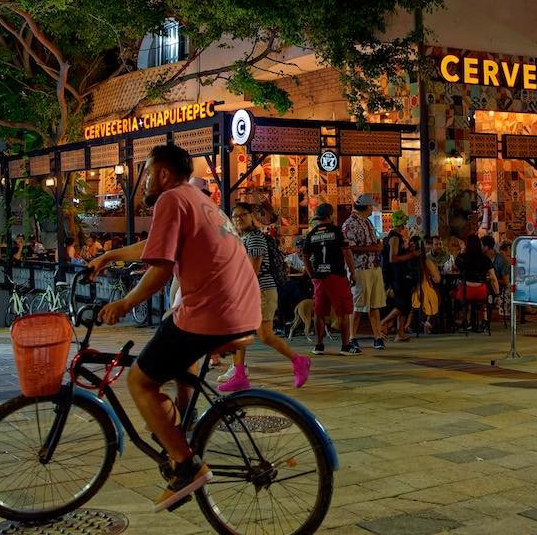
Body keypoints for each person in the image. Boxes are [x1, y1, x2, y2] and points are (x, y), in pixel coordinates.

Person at [93, 144, 263, 510]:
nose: (144, 183)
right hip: (239, 309)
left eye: (148, 173)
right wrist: (111, 254)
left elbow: (162, 268)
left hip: (211, 312)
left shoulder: (170, 200)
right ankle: (178, 430)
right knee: (169, 352)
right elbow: (154, 245)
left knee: (139, 380)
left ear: (164, 174)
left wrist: (125, 303)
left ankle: (186, 466)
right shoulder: (197, 199)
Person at [217, 202, 311, 393]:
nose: (238, 219)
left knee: (264, 335)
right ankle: (240, 375)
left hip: (260, 291)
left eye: (242, 215)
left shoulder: (255, 239)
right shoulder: (241, 238)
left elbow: (253, 271)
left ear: (252, 215)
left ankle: (299, 361)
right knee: (241, 334)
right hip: (249, 291)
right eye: (235, 216)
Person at [302, 203, 358, 355]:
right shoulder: (337, 231)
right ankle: (345, 346)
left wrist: (311, 273)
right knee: (343, 311)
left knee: (319, 312)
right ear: (330, 216)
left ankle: (318, 345)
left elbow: (305, 255)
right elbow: (347, 253)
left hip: (319, 277)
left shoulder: (312, 234)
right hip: (336, 275)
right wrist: (352, 272)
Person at [342, 193, 386, 350]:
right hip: (360, 268)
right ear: (367, 207)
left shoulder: (366, 222)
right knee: (358, 304)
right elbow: (349, 247)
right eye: (371, 206)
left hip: (373, 266)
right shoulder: (350, 224)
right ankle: (352, 337)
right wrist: (373, 248)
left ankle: (377, 336)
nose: (372, 209)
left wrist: (376, 246)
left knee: (375, 303)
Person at [379, 210, 419, 341]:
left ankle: (400, 332)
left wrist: (407, 250)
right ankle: (383, 323)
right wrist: (411, 255)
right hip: (397, 276)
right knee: (402, 304)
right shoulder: (395, 237)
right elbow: (393, 258)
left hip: (399, 275)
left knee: (405, 304)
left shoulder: (395, 237)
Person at [454, 234, 493, 330]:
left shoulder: (462, 258)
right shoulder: (485, 258)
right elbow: (492, 275)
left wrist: (462, 251)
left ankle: (465, 321)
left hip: (466, 290)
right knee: (481, 301)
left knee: (455, 295)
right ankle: (483, 321)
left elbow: (456, 267)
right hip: (481, 290)